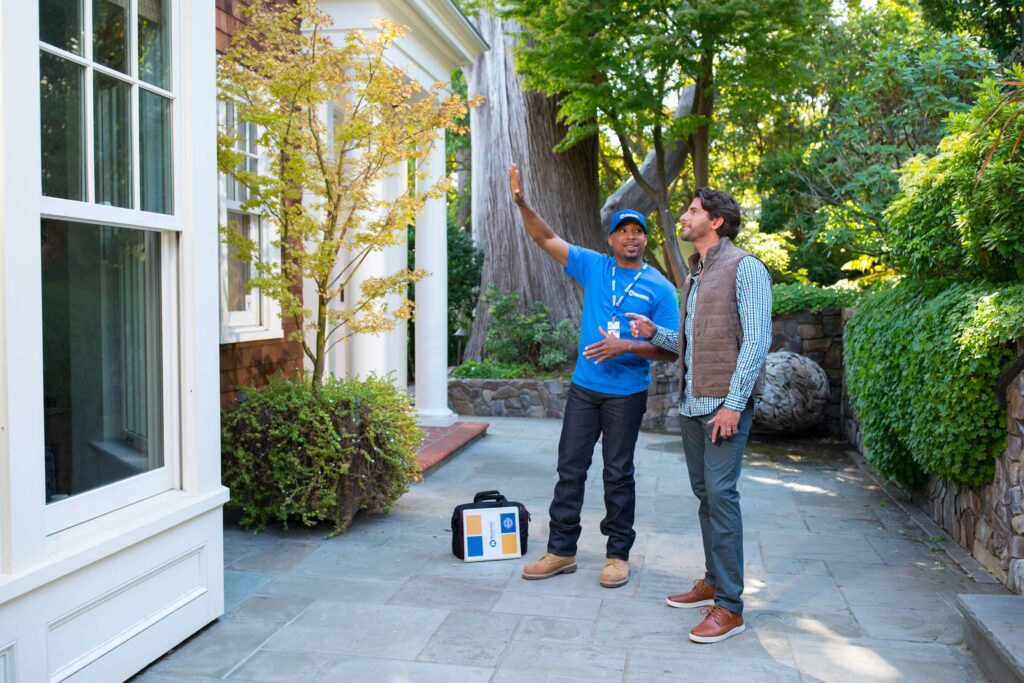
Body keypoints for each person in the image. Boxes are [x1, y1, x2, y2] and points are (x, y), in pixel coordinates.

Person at [509, 163, 679, 589]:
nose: (630, 236)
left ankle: (618, 555)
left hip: (627, 393)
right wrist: (523, 204)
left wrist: (628, 346)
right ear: (611, 239)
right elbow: (545, 238)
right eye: (623, 230)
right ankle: (561, 551)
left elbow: (674, 347)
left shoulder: (660, 288)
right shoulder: (595, 267)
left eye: (637, 231)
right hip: (586, 389)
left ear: (644, 238)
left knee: (618, 473)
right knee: (571, 468)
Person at [628, 187, 772, 643]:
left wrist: (733, 404)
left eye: (692, 211)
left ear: (716, 222)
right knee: (706, 495)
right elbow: (699, 339)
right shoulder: (696, 274)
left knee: (721, 495)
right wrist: (658, 333)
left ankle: (729, 606)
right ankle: (712, 581)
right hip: (693, 405)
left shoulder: (744, 268)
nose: (684, 217)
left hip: (722, 408)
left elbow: (755, 340)